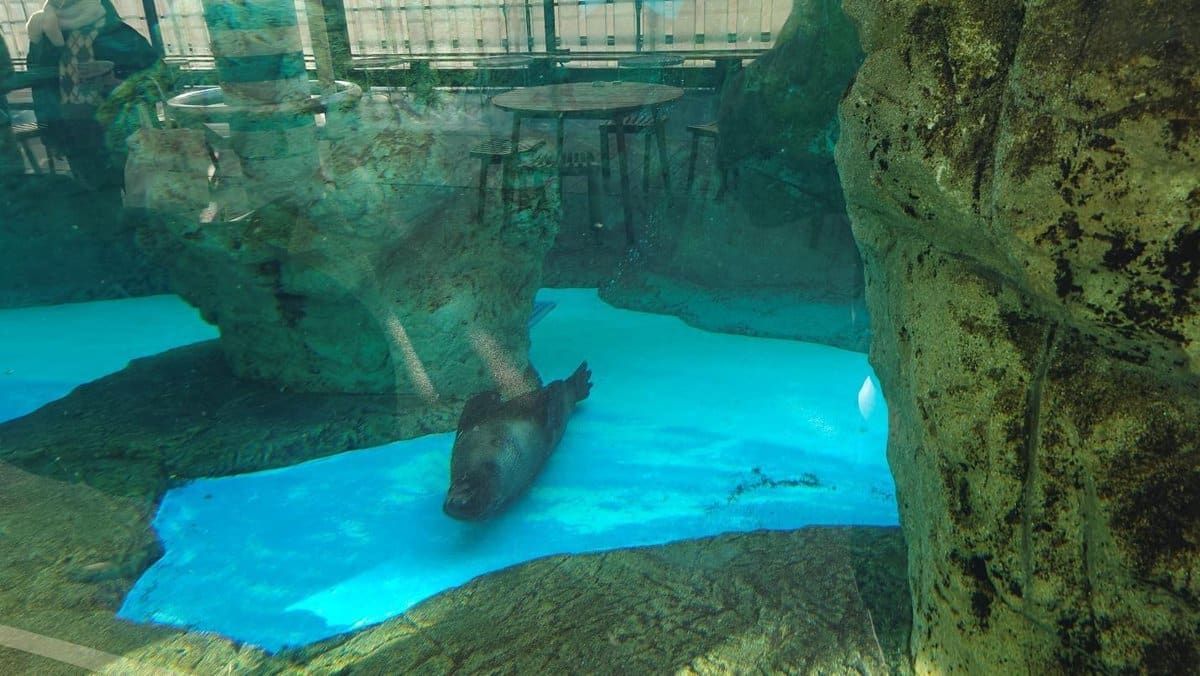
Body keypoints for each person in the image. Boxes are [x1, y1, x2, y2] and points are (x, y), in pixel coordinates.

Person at [26, 0, 157, 189]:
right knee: (98, 199)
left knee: (139, 194)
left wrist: (118, 82)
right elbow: (41, 89)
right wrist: (51, 135)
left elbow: (157, 77)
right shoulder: (43, 34)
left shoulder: (115, 32)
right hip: (75, 133)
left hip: (122, 129)